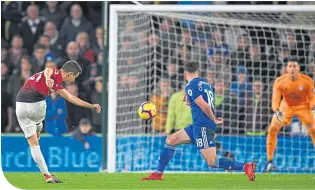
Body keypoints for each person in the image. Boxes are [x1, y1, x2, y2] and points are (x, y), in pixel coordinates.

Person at [141, 61, 256, 181]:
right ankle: (158, 173)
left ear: (185, 74)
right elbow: (197, 103)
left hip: (203, 127)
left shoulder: (190, 86)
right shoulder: (206, 84)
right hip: (197, 125)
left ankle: (246, 166)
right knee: (171, 139)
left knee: (212, 161)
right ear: (198, 72)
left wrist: (214, 119)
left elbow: (205, 106)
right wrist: (189, 102)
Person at [15, 60, 101, 183]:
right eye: (75, 77)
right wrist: (49, 78)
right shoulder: (54, 75)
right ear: (70, 74)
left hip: (20, 106)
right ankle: (38, 129)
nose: (74, 80)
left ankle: (47, 175)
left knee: (33, 144)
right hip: (35, 104)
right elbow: (49, 71)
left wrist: (90, 105)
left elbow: (70, 96)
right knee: (43, 108)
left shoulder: (55, 81)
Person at [263, 58, 315, 173]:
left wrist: (313, 109)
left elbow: (312, 98)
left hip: (303, 107)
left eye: (294, 66)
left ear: (299, 68)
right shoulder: (280, 81)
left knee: (313, 130)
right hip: (286, 107)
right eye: (290, 66)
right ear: (287, 68)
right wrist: (276, 110)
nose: (292, 68)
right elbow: (275, 99)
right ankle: (270, 161)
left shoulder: (307, 81)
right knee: (272, 129)